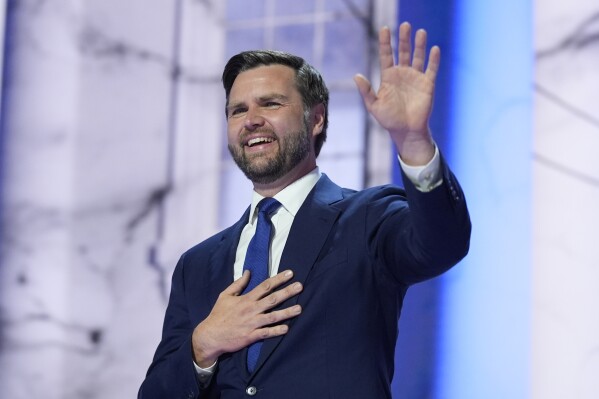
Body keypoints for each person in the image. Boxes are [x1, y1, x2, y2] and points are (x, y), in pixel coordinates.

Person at [138, 22, 471, 399]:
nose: (251, 120)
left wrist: (413, 141)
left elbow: (442, 243)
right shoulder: (196, 266)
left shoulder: (367, 219)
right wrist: (203, 344)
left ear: (317, 118)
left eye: (271, 103)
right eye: (237, 110)